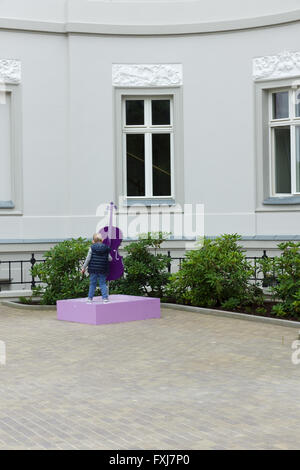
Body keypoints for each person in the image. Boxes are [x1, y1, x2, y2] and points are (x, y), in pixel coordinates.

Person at [81, 233, 111, 303]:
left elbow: (88, 259)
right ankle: (105, 298)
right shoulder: (106, 248)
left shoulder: (92, 248)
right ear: (102, 240)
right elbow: (109, 258)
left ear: (93, 241)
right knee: (103, 283)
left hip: (93, 269)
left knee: (92, 284)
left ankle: (90, 298)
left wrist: (83, 267)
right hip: (103, 269)